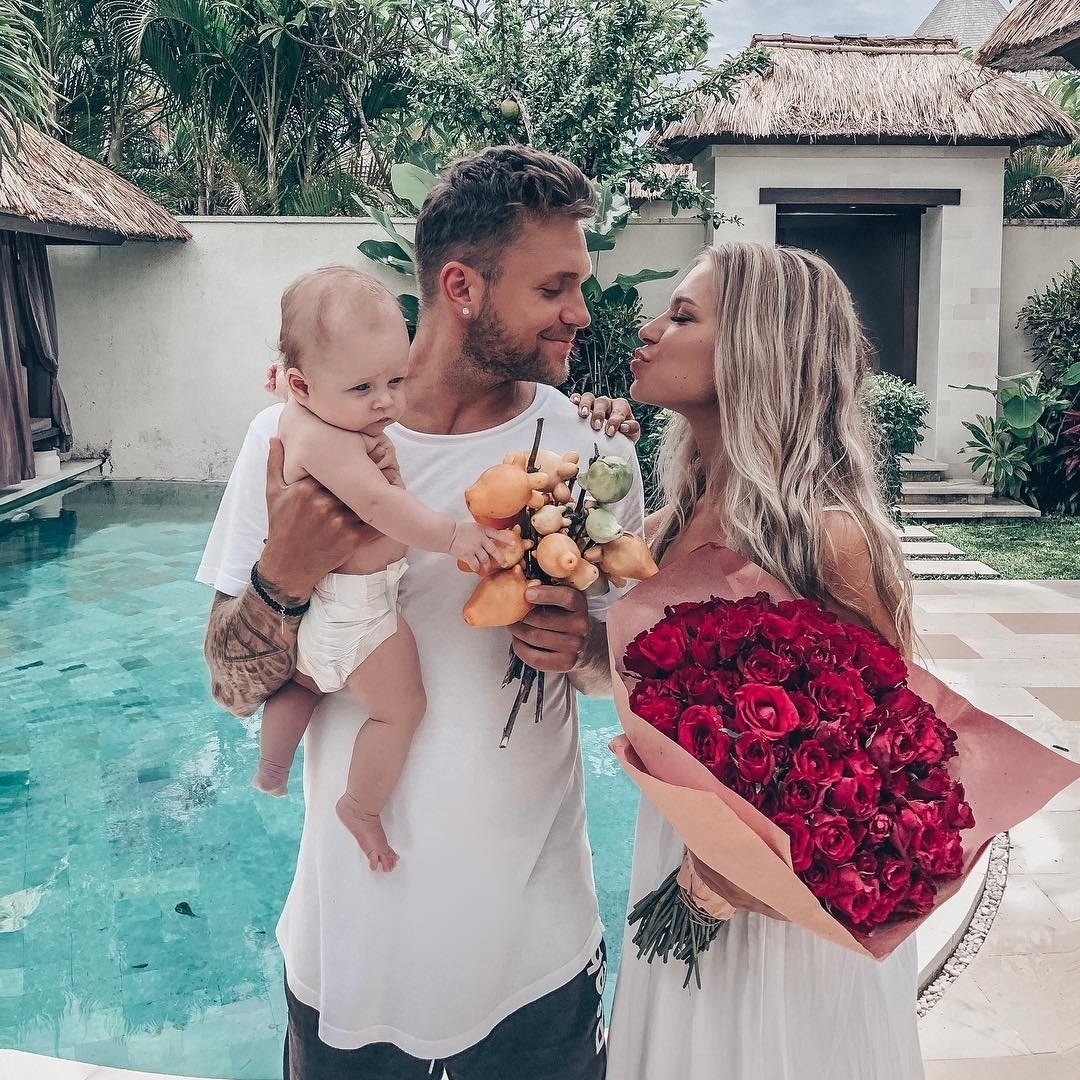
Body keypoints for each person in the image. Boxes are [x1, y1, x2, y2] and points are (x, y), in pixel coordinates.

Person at [198, 146, 642, 1079]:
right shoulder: (289, 445)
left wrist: (584, 646)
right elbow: (231, 686)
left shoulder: (590, 454)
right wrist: (285, 572)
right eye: (553, 287)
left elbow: (628, 676)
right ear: (461, 287)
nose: (580, 311)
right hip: (351, 945)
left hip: (536, 954)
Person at [606, 241, 925, 1080]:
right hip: (676, 858)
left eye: (681, 316)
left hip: (785, 918)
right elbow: (643, 690)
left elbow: (892, 764)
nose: (647, 330)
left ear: (755, 350)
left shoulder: (828, 538)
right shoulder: (663, 528)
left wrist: (737, 875)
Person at [252, 267, 510, 875]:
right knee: (401, 710)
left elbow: (303, 389)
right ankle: (361, 806)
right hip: (361, 613)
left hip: (319, 611)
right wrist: (454, 536)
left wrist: (294, 388)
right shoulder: (332, 442)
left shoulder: (304, 413)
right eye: (363, 387)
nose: (386, 402)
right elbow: (378, 505)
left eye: (395, 380)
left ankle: (271, 766)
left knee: (302, 685)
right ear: (304, 384)